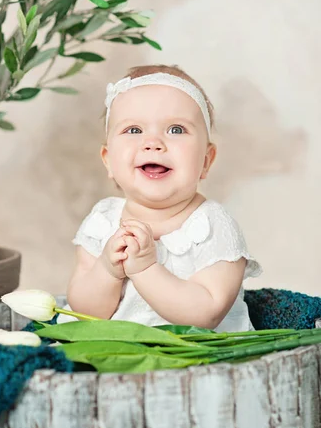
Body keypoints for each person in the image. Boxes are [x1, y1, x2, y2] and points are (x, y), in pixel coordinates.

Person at [57, 64, 262, 331]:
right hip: (113, 356)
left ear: (205, 161)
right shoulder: (103, 221)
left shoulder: (212, 225)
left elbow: (208, 312)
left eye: (176, 129)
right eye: (133, 130)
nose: (153, 143)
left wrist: (145, 269)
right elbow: (86, 310)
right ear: (108, 161)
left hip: (196, 359)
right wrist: (107, 271)